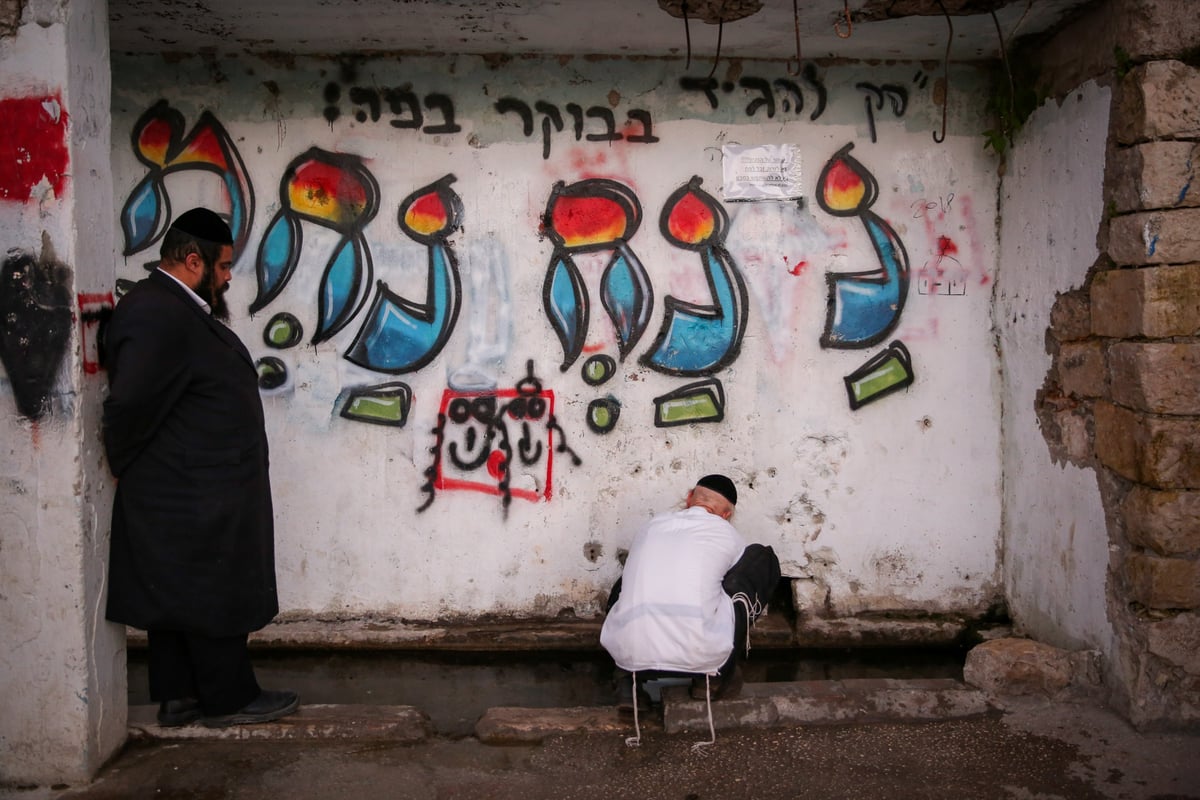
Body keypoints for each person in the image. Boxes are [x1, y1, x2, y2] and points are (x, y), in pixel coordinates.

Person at [103, 208, 298, 728]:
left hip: (198, 483)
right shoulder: (155, 311)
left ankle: (180, 697)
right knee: (211, 590)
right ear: (194, 261)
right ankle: (229, 697)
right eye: (224, 265)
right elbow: (129, 402)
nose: (230, 276)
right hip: (189, 488)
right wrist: (119, 461)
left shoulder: (173, 307)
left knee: (181, 593)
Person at [600, 475, 780, 715]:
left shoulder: (652, 526)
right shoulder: (728, 535)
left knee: (628, 581)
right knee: (762, 558)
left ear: (689, 498)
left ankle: (626, 681)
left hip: (632, 654)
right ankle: (714, 679)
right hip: (700, 656)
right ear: (726, 515)